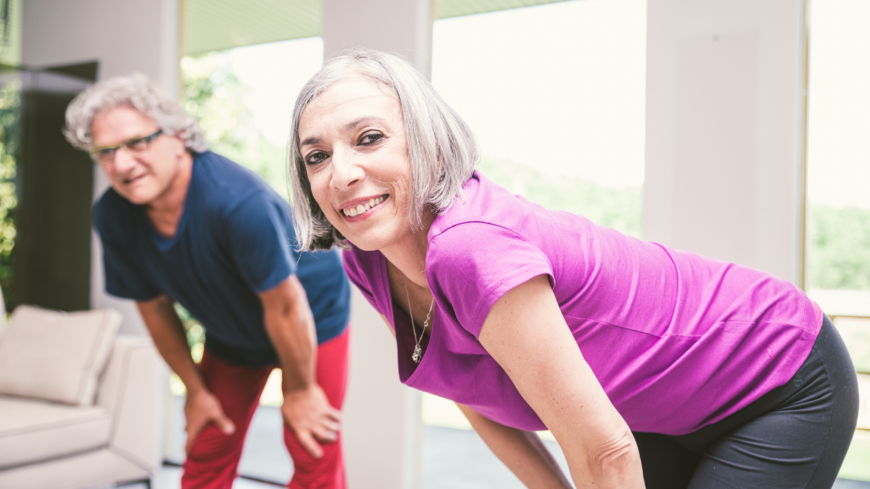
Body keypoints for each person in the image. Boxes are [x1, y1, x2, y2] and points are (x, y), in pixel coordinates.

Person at [286, 48, 859, 489]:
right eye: (317, 155)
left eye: (370, 139)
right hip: (659, 411)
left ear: (427, 141)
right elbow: (463, 382)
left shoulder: (471, 250)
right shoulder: (369, 259)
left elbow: (605, 451)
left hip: (775, 374)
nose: (341, 173)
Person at [64, 74, 351, 489]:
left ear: (179, 135)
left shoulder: (237, 203)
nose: (122, 164)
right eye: (105, 152)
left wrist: (302, 390)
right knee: (208, 439)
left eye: (136, 142)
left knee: (311, 444)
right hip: (231, 331)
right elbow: (155, 309)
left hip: (310, 318)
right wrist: (195, 391)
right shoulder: (113, 215)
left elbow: (286, 306)